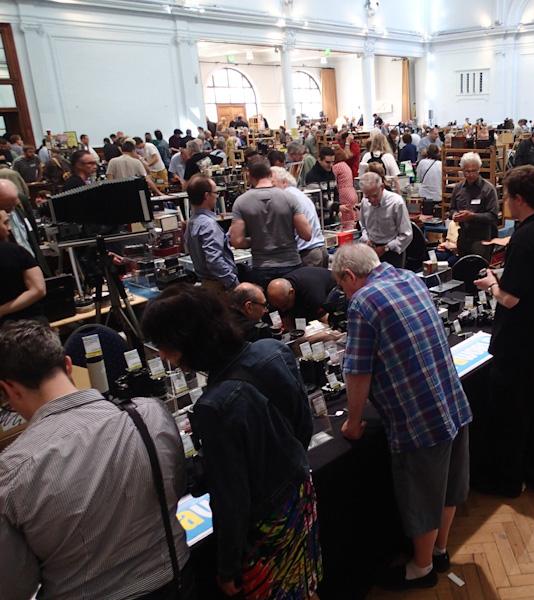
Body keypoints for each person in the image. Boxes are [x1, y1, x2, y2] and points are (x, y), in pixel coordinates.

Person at [142, 285, 321, 599]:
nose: (162, 356)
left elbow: (231, 499)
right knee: (303, 584)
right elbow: (303, 423)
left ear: (186, 342)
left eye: (164, 346)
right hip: (300, 494)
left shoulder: (215, 407)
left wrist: (227, 566)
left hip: (267, 523)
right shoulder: (272, 350)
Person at [0, 320, 193, 599]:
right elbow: (174, 489)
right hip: (177, 583)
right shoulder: (150, 414)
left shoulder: (10, 471)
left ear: (9, 389)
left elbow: (15, 586)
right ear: (68, 366)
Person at [334, 243, 472, 590]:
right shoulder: (410, 277)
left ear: (349, 276)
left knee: (423, 494)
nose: (344, 294)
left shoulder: (362, 301)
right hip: (452, 401)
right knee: (447, 486)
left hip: (418, 416)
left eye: (341, 285)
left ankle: (421, 569)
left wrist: (353, 422)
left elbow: (358, 370)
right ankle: (439, 551)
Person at [472, 165, 534, 498]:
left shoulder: (526, 237)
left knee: (511, 415)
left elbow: (511, 299)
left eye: (506, 197)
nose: (506, 203)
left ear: (518, 199)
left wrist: (491, 285)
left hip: (521, 345)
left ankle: (507, 482)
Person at [230, 161, 311, 287]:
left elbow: (237, 241)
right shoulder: (289, 198)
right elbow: (306, 234)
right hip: (290, 263)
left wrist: (256, 240)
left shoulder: (241, 202)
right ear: (270, 174)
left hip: (262, 266)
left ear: (249, 176)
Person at [184, 174, 239, 291]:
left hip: (206, 285)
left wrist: (225, 237)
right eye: (215, 193)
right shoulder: (208, 224)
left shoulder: (192, 222)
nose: (216, 197)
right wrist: (234, 283)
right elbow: (214, 261)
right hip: (220, 286)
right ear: (206, 195)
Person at [270, 166, 328, 268]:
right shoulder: (297, 193)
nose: (270, 189)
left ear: (284, 182)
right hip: (318, 249)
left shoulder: (286, 197)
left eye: (273, 184)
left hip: (308, 254)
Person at [449, 152, 499, 261]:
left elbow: (493, 216)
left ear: (479, 169)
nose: (470, 174)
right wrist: (455, 215)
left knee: (479, 268)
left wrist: (472, 216)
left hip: (481, 239)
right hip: (463, 237)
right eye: (467, 171)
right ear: (462, 170)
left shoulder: (488, 189)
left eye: (474, 171)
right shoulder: (458, 188)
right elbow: (452, 209)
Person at [0, 209, 45, 324]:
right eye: (5, 223)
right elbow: (38, 289)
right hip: (28, 323)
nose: (9, 228)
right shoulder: (16, 251)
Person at [358, 171, 412, 268]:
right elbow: (363, 226)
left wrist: (385, 248)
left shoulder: (396, 202)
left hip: (392, 252)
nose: (372, 200)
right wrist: (366, 239)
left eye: (375, 195)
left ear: (382, 187)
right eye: (368, 197)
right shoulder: (365, 202)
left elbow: (406, 234)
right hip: (371, 249)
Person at [267, 266, 336, 325]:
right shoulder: (279, 294)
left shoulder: (313, 296)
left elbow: (324, 318)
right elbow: (283, 318)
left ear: (291, 292)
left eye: (284, 305)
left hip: (332, 292)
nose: (282, 309)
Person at [304, 146, 339, 224]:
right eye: (327, 162)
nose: (331, 165)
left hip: (332, 217)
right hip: (318, 219)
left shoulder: (331, 173)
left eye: (333, 162)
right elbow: (317, 198)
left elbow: (336, 192)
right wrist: (336, 206)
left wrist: (337, 206)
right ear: (319, 159)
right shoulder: (312, 176)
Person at [332, 147, 358, 229]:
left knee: (345, 220)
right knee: (352, 217)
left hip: (343, 193)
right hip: (352, 191)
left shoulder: (336, 167)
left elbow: (332, 180)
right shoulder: (346, 165)